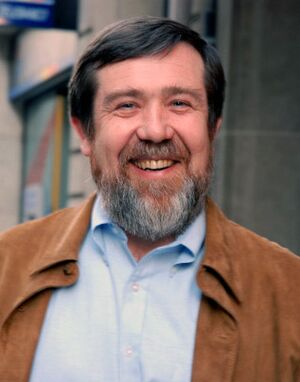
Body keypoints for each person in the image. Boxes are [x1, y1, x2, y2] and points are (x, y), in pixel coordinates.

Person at [0, 16, 299, 382]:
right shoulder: (6, 268)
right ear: (84, 133)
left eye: (179, 103)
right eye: (126, 105)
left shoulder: (289, 293)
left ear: (213, 126)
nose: (155, 130)